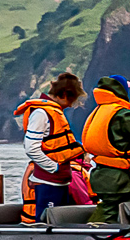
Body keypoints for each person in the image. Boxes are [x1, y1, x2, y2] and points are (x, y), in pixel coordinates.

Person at [13, 73, 86, 223]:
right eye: (72, 99)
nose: (72, 105)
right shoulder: (41, 114)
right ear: (64, 94)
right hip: (48, 183)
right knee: (47, 223)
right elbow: (31, 148)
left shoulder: (55, 112)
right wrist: (53, 167)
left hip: (60, 182)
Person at [82, 75, 130, 223]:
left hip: (102, 173)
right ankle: (90, 239)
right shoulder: (123, 115)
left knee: (108, 207)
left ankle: (95, 235)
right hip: (120, 179)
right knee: (109, 213)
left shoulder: (99, 110)